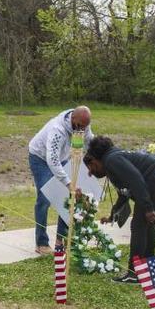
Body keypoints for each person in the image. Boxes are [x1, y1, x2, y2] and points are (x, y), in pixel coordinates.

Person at [84, 136, 155, 283]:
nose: (91, 172)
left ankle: (134, 273)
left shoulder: (111, 160)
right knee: (146, 226)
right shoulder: (113, 158)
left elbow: (136, 179)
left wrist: (147, 207)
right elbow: (124, 193)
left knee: (139, 226)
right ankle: (150, 271)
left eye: (90, 167)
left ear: (95, 159)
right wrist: (112, 215)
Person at [28, 106, 93, 255]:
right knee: (44, 198)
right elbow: (52, 161)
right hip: (40, 158)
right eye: (80, 126)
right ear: (73, 119)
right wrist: (69, 183)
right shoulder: (57, 130)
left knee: (68, 197)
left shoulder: (83, 124)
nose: (83, 130)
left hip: (62, 158)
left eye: (85, 127)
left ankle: (60, 240)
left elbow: (90, 141)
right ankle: (41, 243)